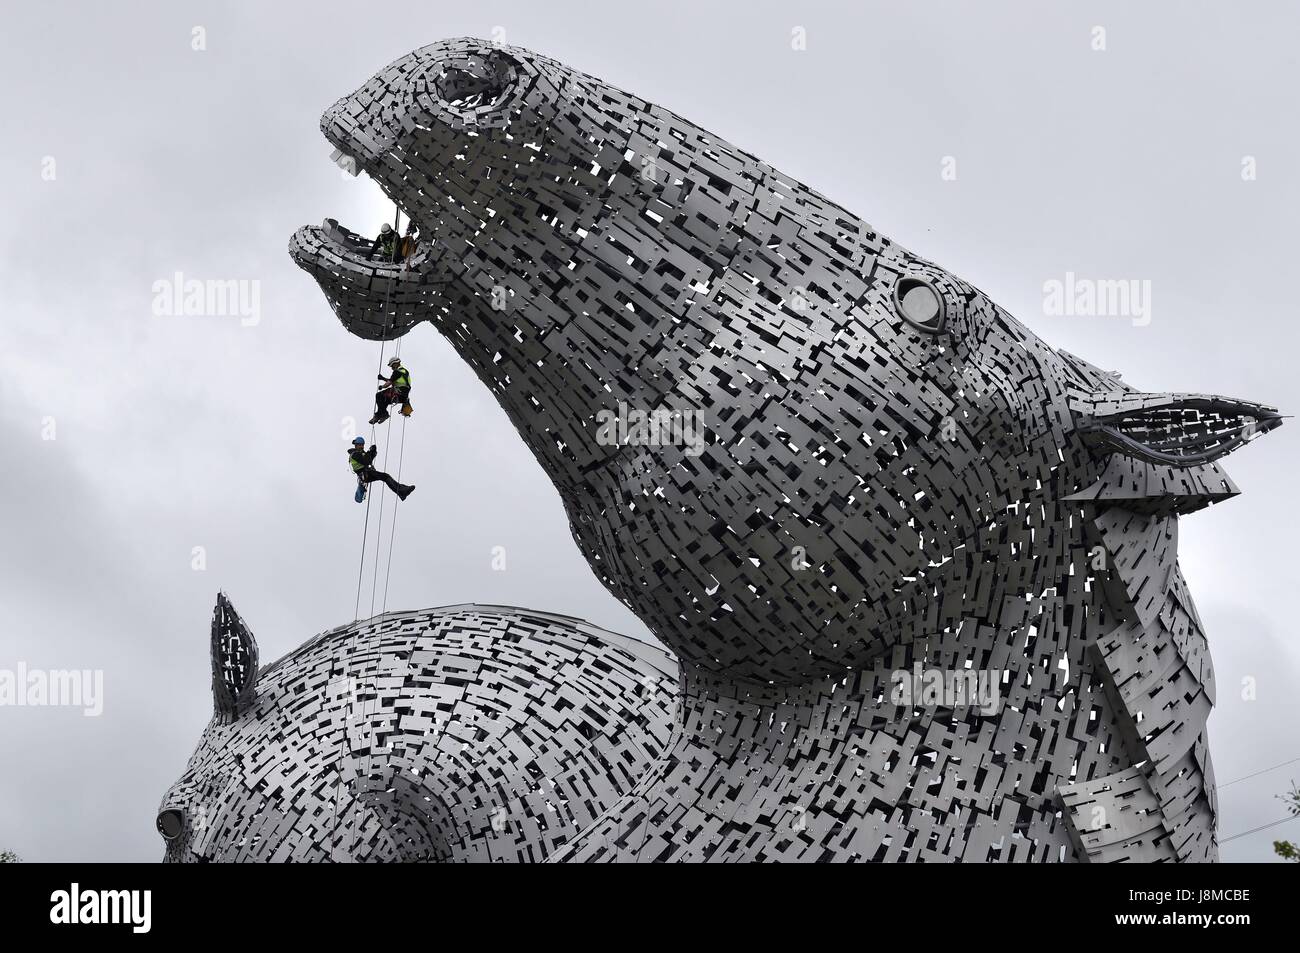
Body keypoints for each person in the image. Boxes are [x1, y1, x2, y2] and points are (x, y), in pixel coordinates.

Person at [348, 436, 414, 501]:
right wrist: (370, 451)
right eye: (360, 445)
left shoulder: (361, 453)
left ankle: (402, 491)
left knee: (385, 476)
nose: (362, 446)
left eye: (362, 445)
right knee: (385, 476)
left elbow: (369, 459)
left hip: (367, 473)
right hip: (365, 474)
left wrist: (373, 452)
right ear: (356, 445)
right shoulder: (354, 454)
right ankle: (401, 492)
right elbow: (366, 461)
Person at [370, 356, 412, 424]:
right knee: (384, 401)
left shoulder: (397, 371)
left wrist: (382, 386)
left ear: (396, 363)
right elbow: (394, 381)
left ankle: (383, 414)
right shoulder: (404, 371)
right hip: (403, 396)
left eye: (392, 366)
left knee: (379, 395)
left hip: (398, 393)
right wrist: (383, 378)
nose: (392, 368)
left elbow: (389, 383)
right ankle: (379, 415)